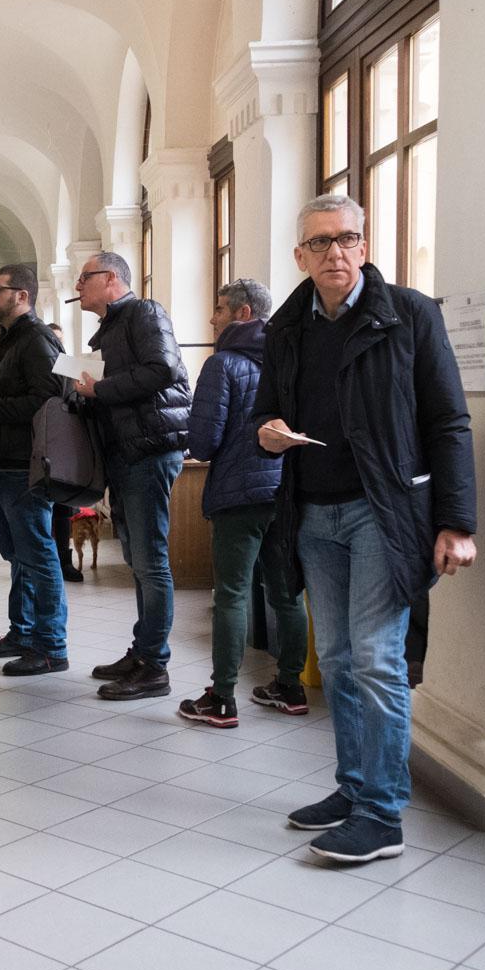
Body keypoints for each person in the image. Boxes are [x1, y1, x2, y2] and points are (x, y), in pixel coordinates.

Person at [253, 194, 476, 863]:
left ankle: (382, 814)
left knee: (377, 659)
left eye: (345, 239)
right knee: (343, 660)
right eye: (318, 243)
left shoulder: (408, 315)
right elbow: (265, 413)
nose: (334, 253)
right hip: (314, 513)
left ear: (364, 244)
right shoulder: (286, 328)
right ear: (299, 256)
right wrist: (265, 433)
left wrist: (456, 521)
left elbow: (448, 421)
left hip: (383, 513)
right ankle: (352, 790)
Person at [179, 279, 309, 727]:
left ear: (243, 313)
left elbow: (204, 442)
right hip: (286, 492)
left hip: (239, 495)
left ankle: (221, 697)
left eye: (218, 309)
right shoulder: (290, 357)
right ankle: (290, 687)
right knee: (287, 590)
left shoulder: (224, 365)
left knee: (232, 593)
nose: (212, 318)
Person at [72, 251, 191, 700]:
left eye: (85, 278)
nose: (78, 287)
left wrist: (98, 389)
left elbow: (162, 369)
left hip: (150, 450)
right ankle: (142, 652)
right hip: (128, 451)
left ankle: (154, 666)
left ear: (111, 279)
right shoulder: (112, 327)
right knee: (140, 562)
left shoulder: (144, 312)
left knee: (151, 562)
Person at [0, 263, 71, 676]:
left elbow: (46, 403)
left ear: (21, 295)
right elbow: (18, 395)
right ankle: (22, 633)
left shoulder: (36, 340)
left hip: (23, 465)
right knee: (19, 555)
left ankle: (51, 646)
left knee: (37, 554)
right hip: (2, 461)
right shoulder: (12, 340)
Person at [47, 322, 84, 584]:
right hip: (44, 444)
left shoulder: (71, 369)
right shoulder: (40, 365)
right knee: (44, 509)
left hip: (66, 446)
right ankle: (49, 562)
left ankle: (64, 560)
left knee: (64, 510)